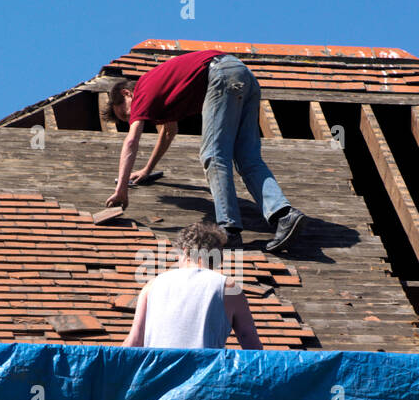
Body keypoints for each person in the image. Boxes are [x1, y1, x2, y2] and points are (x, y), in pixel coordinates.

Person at [105, 50, 307, 252]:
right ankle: (284, 215)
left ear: (126, 93)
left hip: (220, 74)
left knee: (213, 154)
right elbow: (169, 131)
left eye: (125, 113)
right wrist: (147, 169)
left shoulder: (142, 90)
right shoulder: (160, 93)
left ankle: (228, 229)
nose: (131, 117)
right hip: (243, 75)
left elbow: (131, 141)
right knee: (248, 158)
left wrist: (121, 190)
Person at [122, 223, 262, 350]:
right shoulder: (228, 288)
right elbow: (250, 342)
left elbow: (134, 342)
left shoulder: (152, 286)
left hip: (156, 374)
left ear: (184, 251)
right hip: (204, 375)